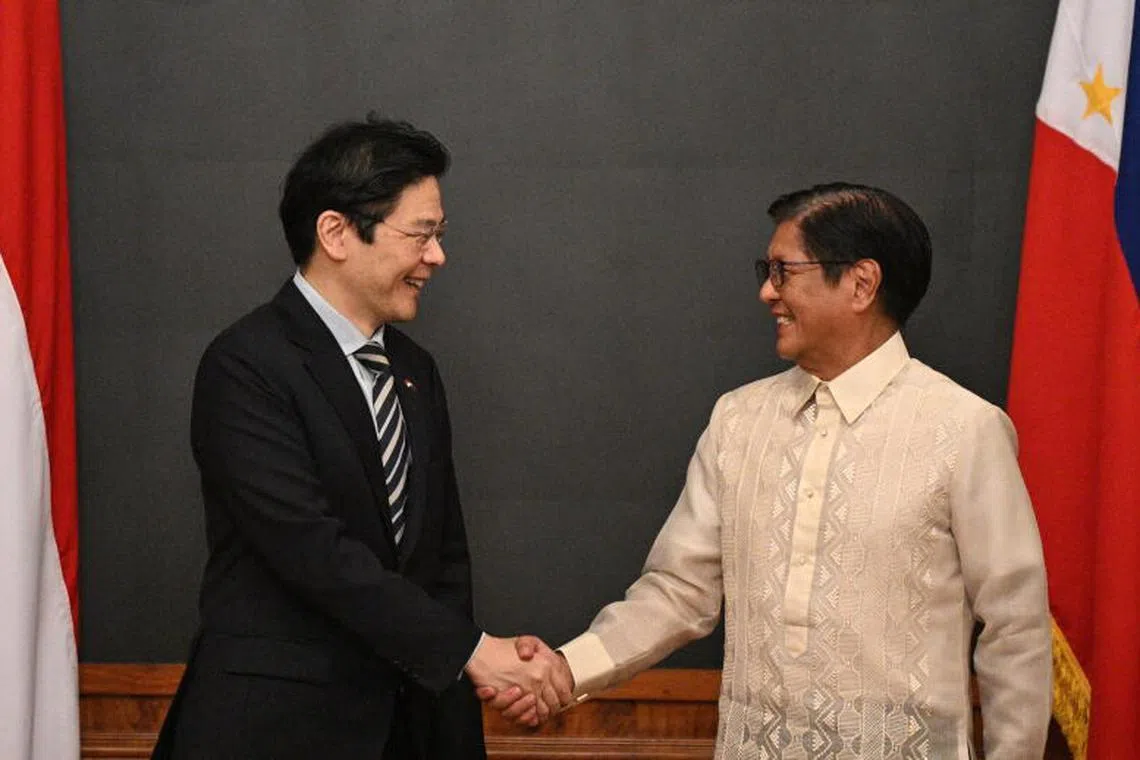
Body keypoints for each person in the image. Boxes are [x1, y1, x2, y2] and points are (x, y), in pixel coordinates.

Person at [486, 183, 1052, 759]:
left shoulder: (963, 428)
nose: (766, 292)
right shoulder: (739, 420)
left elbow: (1016, 628)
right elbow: (680, 591)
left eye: (783, 271)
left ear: (861, 283)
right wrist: (565, 668)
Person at [152, 115, 569, 760]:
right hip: (276, 729)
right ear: (336, 232)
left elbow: (443, 560)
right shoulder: (246, 364)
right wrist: (471, 651)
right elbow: (310, 549)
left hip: (411, 725)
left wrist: (470, 669)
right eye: (421, 234)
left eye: (438, 235)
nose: (436, 256)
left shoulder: (415, 370)